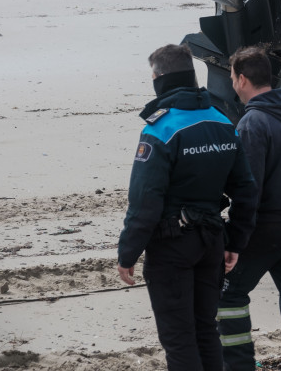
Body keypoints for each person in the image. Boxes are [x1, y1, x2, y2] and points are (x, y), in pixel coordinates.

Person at [117, 44, 258, 371]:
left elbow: (144, 202)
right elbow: (246, 190)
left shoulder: (160, 128)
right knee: (206, 330)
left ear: (159, 78)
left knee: (179, 337)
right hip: (211, 242)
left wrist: (128, 253)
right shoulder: (223, 121)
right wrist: (235, 241)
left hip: (171, 246)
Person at [218, 46, 281, 371]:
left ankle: (238, 366)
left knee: (228, 294)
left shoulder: (253, 123)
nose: (233, 84)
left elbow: (248, 192)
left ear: (243, 79)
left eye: (233, 77)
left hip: (270, 226)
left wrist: (234, 243)